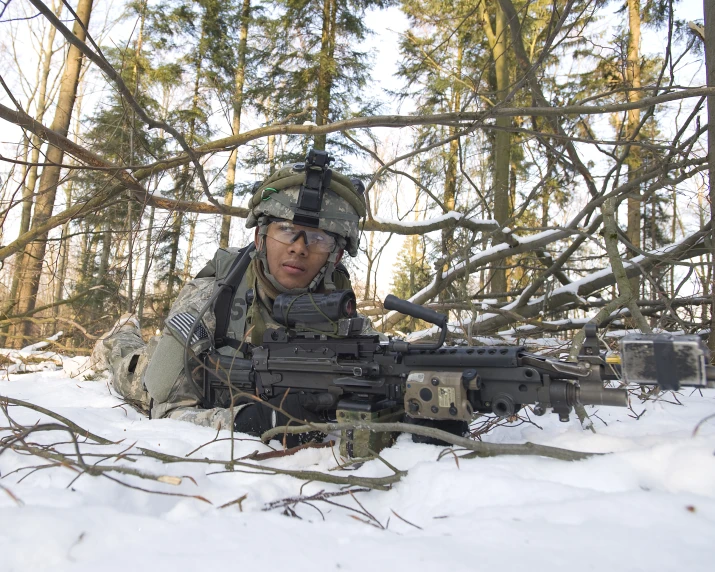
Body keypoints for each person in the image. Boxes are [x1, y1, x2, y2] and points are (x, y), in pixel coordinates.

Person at [92, 149, 367, 443]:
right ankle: (120, 334)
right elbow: (166, 409)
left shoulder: (338, 304)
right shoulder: (213, 295)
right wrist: (252, 422)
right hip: (151, 373)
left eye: (318, 238)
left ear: (335, 256)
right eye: (286, 231)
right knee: (130, 364)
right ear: (259, 237)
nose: (299, 248)